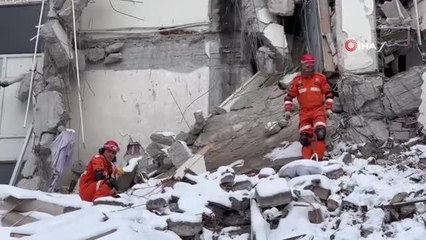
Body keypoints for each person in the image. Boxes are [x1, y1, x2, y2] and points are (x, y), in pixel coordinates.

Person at [283, 54, 334, 161]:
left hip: (318, 110)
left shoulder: (320, 78)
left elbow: (329, 93)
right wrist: (287, 110)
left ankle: (318, 158)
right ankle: (307, 160)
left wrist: (329, 108)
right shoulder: (297, 81)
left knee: (320, 133)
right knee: (304, 138)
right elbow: (289, 96)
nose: (309, 66)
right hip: (304, 113)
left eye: (311, 63)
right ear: (302, 64)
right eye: (307, 64)